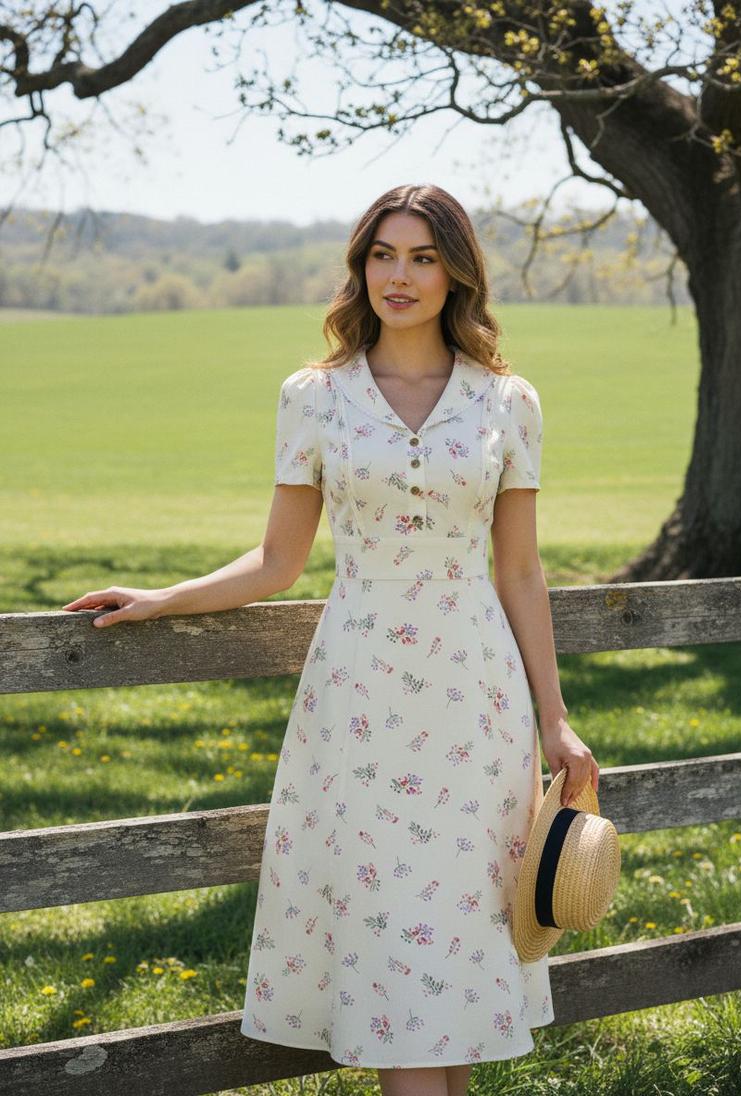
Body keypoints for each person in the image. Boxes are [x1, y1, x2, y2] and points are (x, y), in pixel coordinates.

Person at [62, 183, 599, 1096]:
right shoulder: (316, 398)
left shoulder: (509, 401)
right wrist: (161, 598)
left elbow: (518, 572)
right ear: (360, 268)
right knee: (393, 935)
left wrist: (555, 719)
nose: (401, 275)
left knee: (464, 937)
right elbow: (278, 561)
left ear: (456, 272)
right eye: (383, 255)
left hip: (475, 698)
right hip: (359, 700)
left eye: (424, 257)